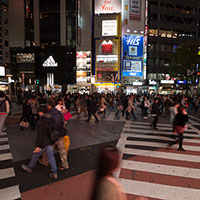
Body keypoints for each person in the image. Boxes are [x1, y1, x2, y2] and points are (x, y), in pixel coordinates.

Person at [21, 105, 58, 179]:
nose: (38, 113)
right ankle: (54, 172)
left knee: (36, 154)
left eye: (39, 112)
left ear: (41, 112)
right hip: (50, 141)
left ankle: (30, 167)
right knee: (51, 157)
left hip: (43, 143)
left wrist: (38, 146)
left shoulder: (40, 122)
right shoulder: (52, 118)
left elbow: (40, 135)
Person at [47, 99, 69, 170]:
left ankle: (46, 161)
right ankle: (65, 164)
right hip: (60, 133)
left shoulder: (48, 114)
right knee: (62, 150)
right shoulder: (59, 113)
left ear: (49, 106)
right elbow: (63, 123)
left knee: (49, 148)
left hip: (52, 134)